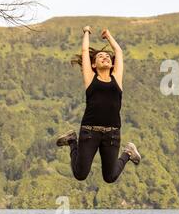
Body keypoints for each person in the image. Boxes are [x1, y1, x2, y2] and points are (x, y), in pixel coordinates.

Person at [56, 26, 141, 183]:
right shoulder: (90, 79)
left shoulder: (117, 78)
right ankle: (72, 140)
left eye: (108, 57)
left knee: (110, 177)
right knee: (80, 174)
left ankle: (128, 152)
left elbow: (119, 52)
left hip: (112, 134)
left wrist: (109, 35)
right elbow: (84, 52)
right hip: (89, 132)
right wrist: (87, 32)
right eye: (100, 56)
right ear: (93, 65)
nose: (105, 57)